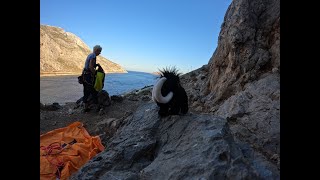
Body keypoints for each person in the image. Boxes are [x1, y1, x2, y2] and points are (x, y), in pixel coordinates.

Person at [82, 45, 102, 112]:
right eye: (99, 51)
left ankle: (86, 108)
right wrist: (96, 75)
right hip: (88, 76)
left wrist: (96, 65)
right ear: (96, 50)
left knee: (86, 91)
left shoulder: (90, 55)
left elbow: (89, 65)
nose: (100, 53)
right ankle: (97, 107)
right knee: (93, 91)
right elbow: (90, 67)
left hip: (84, 75)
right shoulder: (93, 56)